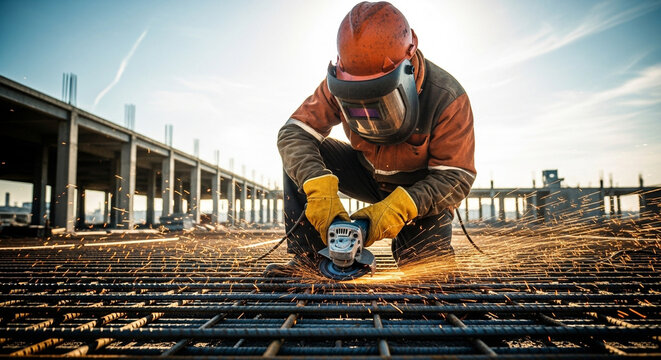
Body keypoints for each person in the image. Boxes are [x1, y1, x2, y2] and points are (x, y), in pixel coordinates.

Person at [265, 1, 475, 276]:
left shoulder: (448, 98)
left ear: (408, 62)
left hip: (417, 191)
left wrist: (400, 208)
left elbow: (455, 177)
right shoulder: (339, 82)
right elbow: (294, 132)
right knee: (300, 157)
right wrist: (318, 188)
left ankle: (421, 256)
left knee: (430, 277)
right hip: (365, 173)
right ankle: (308, 259)